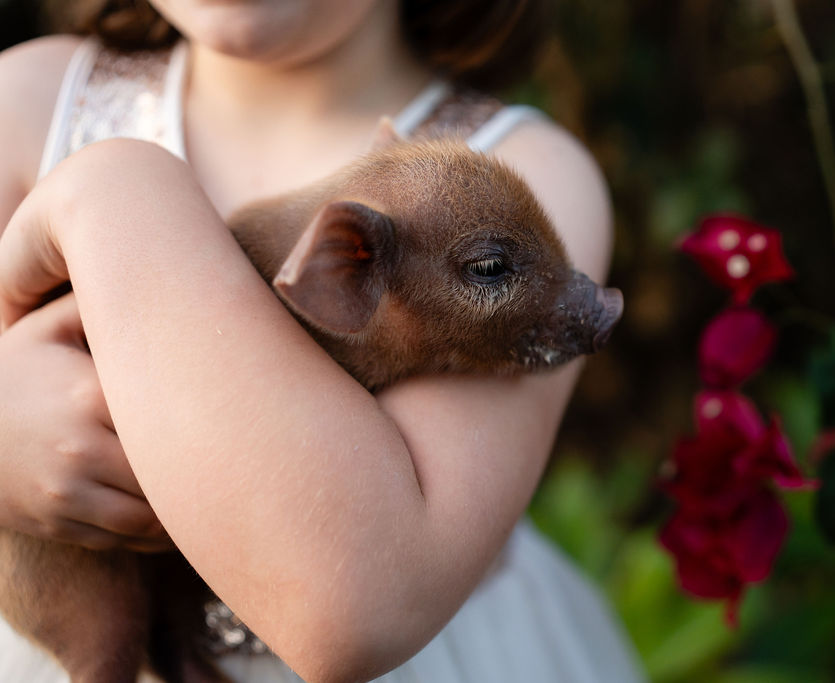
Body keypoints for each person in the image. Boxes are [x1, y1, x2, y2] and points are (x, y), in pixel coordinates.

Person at [0, 1, 644, 681]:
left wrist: (109, 194)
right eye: (488, 268)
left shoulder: (528, 165)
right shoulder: (25, 103)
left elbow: (356, 603)